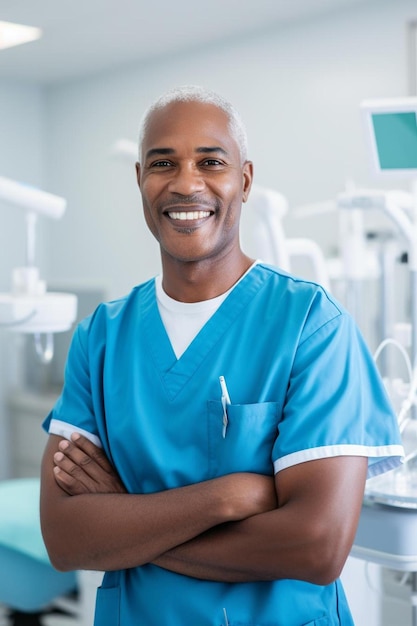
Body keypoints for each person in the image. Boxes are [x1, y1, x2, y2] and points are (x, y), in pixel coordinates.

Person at [40, 85, 403, 626]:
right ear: (140, 179)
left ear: (245, 180)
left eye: (211, 161)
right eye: (164, 163)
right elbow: (67, 540)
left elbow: (317, 547)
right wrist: (228, 497)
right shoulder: (101, 337)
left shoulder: (310, 325)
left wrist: (125, 518)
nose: (187, 182)